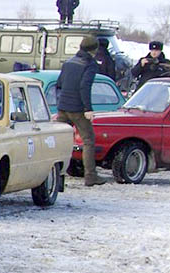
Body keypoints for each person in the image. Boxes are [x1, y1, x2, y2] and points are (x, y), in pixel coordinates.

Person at [57, 36, 110, 186]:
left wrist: (61, 102)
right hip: (78, 109)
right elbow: (84, 86)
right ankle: (90, 176)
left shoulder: (69, 62)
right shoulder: (90, 64)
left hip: (63, 107)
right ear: (94, 49)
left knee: (61, 141)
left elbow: (59, 83)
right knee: (88, 141)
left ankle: (57, 176)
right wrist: (88, 108)